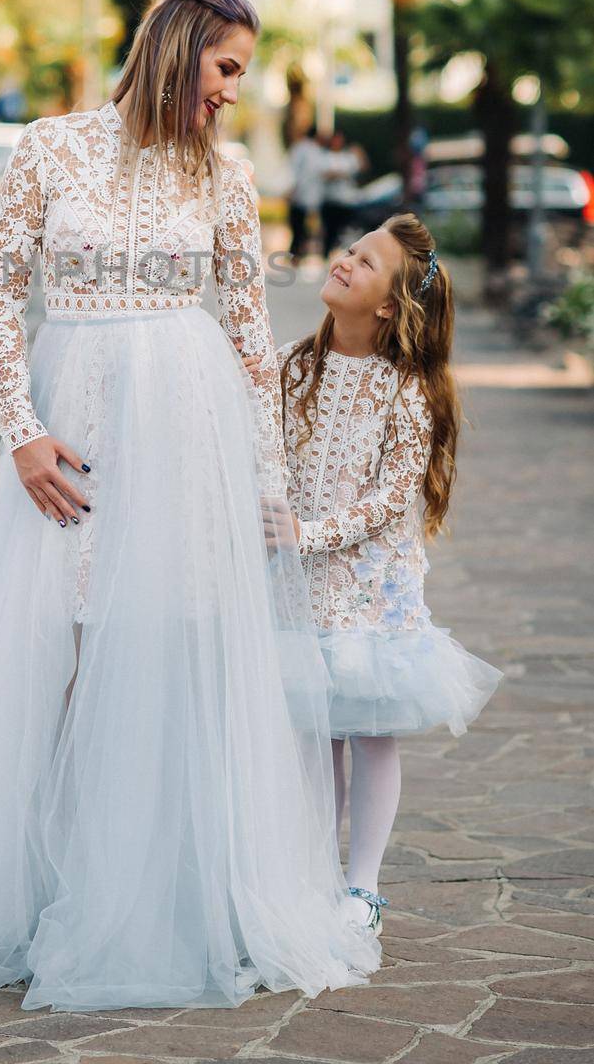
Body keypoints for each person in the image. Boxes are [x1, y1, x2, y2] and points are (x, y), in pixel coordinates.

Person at [0, 0, 379, 1011]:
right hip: (71, 422)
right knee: (49, 646)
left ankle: (154, 892)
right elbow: (2, 296)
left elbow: (247, 333)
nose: (236, 91)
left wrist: (269, 479)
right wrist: (20, 431)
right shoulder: (50, 148)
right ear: (180, 47)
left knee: (162, 640)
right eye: (227, 66)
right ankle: (37, 888)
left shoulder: (228, 174)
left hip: (185, 427)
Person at [275, 215, 502, 934]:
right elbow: (267, 455)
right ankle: (309, 874)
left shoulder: (407, 392)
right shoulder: (291, 368)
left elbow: (388, 500)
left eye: (363, 262)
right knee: (313, 734)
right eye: (350, 250)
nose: (343, 261)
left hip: (368, 587)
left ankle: (361, 886)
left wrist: (308, 535)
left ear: (386, 306)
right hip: (297, 584)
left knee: (370, 730)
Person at [320, 130, 367, 258]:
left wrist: (359, 153)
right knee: (330, 231)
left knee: (347, 231)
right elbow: (324, 174)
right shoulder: (325, 156)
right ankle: (326, 255)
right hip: (331, 200)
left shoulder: (347, 157)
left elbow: (361, 168)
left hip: (346, 201)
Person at [288, 126, 325, 260]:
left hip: (301, 195)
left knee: (298, 228)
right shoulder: (314, 151)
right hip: (308, 196)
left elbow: (293, 172)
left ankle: (296, 255)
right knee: (302, 229)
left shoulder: (300, 148)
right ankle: (297, 255)